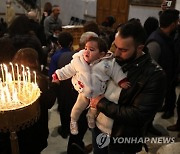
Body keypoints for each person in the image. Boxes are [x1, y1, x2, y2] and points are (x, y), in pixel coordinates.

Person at [90, 20, 166, 154]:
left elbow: (138, 115)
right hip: (98, 129)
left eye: (123, 50)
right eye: (115, 46)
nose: (116, 53)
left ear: (140, 48)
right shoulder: (112, 58)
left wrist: (101, 103)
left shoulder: (154, 75)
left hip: (121, 140)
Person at [53, 37, 130, 135]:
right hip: (84, 93)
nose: (87, 51)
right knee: (76, 109)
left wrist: (121, 81)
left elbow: (116, 71)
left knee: (94, 111)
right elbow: (68, 70)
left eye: (91, 50)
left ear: (101, 54)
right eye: (85, 48)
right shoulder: (78, 61)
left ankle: (91, 118)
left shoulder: (107, 64)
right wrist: (58, 74)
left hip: (99, 95)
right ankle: (73, 121)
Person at [0, 48, 57, 154]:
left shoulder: (9, 77)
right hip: (33, 129)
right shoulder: (39, 80)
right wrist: (54, 87)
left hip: (12, 129)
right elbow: (48, 103)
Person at [146, 9, 179, 119]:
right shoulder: (155, 42)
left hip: (166, 79)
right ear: (173, 24)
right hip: (157, 83)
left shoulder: (168, 36)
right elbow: (150, 67)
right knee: (151, 107)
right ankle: (147, 127)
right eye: (177, 21)